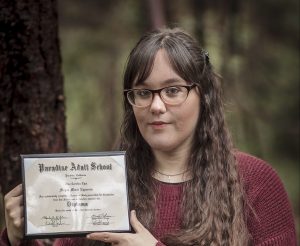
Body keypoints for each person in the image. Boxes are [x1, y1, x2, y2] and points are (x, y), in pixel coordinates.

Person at [1, 28, 297, 246]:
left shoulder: (256, 182)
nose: (156, 106)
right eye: (143, 93)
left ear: (203, 96)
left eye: (172, 90)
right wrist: (17, 240)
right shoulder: (101, 182)